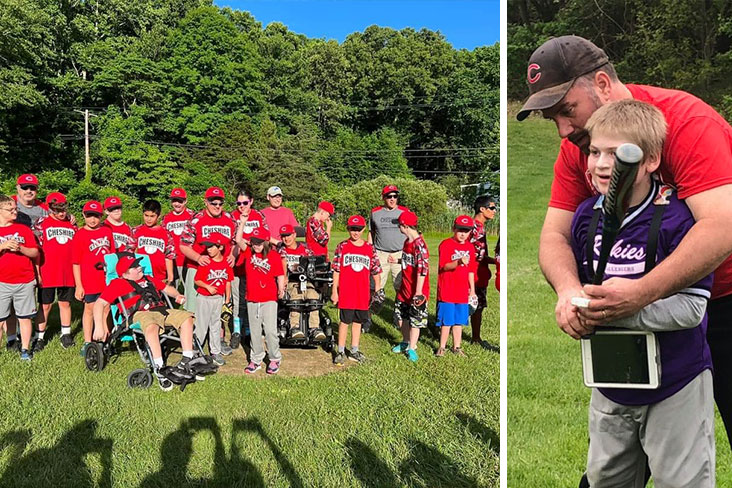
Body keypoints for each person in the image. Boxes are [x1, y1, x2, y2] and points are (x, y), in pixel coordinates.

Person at [517, 34, 732, 445]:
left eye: (567, 110)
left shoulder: (686, 122)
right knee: (615, 459)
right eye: (553, 119)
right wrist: (567, 291)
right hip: (638, 308)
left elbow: (722, 225)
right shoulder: (584, 148)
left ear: (601, 84)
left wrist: (641, 293)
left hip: (724, 298)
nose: (564, 130)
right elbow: (554, 234)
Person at [571, 99, 714, 486]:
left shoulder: (676, 219)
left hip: (676, 382)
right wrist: (572, 308)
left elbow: (691, 309)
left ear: (650, 161)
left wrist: (622, 310)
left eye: (617, 155)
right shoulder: (586, 217)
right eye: (595, 151)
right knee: (606, 480)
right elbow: (582, 290)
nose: (601, 164)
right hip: (611, 383)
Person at [92, 253, 195, 392]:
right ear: (125, 274)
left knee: (187, 317)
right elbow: (99, 304)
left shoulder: (149, 279)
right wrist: (99, 326)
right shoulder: (117, 283)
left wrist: (176, 295)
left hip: (162, 310)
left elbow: (166, 289)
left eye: (138, 264)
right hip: (139, 314)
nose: (139, 267)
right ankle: (160, 367)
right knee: (151, 326)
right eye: (134, 267)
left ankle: (187, 360)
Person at [331, 215, 382, 365]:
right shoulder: (342, 246)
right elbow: (336, 270)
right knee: (344, 321)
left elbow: (376, 270)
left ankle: (354, 350)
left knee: (358, 321)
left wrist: (378, 288)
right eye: (353, 229)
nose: (355, 232)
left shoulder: (369, 248)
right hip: (346, 291)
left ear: (363, 229)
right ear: (348, 229)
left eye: (359, 229)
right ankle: (340, 350)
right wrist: (334, 290)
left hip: (362, 292)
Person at [179, 187, 236, 318]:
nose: (217, 206)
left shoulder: (230, 219)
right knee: (194, 310)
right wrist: (198, 257)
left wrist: (233, 254)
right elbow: (184, 245)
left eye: (220, 203)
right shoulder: (196, 219)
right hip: (199, 268)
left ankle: (218, 339)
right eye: (213, 203)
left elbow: (235, 242)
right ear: (206, 202)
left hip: (221, 270)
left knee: (220, 310)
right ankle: (194, 337)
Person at [234, 227, 285, 375]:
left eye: (259, 242)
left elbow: (280, 274)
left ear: (266, 242)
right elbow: (238, 239)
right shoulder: (249, 252)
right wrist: (242, 222)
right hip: (252, 297)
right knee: (255, 331)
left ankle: (275, 358)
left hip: (269, 297)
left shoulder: (274, 256)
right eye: (254, 242)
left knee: (270, 331)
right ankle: (256, 359)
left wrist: (281, 288)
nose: (256, 245)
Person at [33, 192, 76, 351]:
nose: (61, 212)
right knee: (45, 305)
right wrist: (37, 271)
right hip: (48, 270)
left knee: (65, 303)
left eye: (63, 208)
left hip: (67, 271)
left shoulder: (72, 223)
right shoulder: (41, 222)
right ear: (49, 208)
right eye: (56, 209)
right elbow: (35, 248)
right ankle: (39, 337)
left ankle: (65, 333)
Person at [72, 200, 115, 355]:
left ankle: (105, 338)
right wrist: (79, 285)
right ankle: (88, 341)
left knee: (107, 308)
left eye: (96, 216)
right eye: (89, 216)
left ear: (101, 216)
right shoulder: (80, 235)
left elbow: (112, 255)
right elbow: (76, 263)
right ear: (84, 215)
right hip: (88, 279)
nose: (93, 219)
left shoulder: (107, 231)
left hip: (105, 278)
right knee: (89, 309)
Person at [0, 195, 40, 361]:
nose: (15, 211)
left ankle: (25, 348)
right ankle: (7, 344)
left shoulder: (23, 230)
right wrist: (3, 246)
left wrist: (21, 248)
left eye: (15, 208)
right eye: (11, 209)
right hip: (2, 282)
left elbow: (35, 252)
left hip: (25, 280)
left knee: (24, 317)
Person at [230, 188, 268, 347]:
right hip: (238, 264)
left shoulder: (259, 216)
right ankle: (237, 331)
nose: (242, 206)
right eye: (239, 203)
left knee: (253, 299)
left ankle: (250, 331)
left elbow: (265, 237)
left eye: (245, 202)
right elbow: (232, 239)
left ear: (251, 201)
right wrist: (236, 250)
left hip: (255, 265)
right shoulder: (232, 216)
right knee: (238, 301)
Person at [390, 211, 429, 363]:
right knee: (400, 317)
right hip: (404, 288)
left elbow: (422, 269)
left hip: (416, 290)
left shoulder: (420, 245)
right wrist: (398, 261)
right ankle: (405, 341)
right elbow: (409, 262)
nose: (398, 227)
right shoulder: (407, 242)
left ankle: (412, 348)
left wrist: (418, 292)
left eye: (399, 225)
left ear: (405, 225)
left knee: (415, 320)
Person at [435, 215, 477, 357]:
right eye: (460, 230)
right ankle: (442, 346)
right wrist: (458, 262)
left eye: (466, 231)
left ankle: (457, 347)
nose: (463, 234)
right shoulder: (446, 244)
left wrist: (472, 290)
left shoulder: (470, 247)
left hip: (462, 290)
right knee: (447, 320)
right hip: (448, 289)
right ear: (454, 229)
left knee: (459, 321)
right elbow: (444, 266)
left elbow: (471, 270)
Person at [279, 223, 325, 340]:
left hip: (306, 281)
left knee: (313, 295)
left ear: (294, 235)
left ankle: (314, 327)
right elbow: (282, 264)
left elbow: (313, 263)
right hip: (291, 281)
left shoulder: (305, 249)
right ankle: (295, 327)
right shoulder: (282, 250)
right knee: (296, 296)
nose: (286, 238)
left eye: (288, 235)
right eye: (283, 236)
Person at [193, 233, 232, 367]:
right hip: (204, 298)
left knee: (216, 325)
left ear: (220, 247)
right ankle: (196, 351)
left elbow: (228, 281)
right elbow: (197, 280)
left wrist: (227, 298)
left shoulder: (226, 262)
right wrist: (207, 286)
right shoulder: (206, 262)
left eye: (211, 246)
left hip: (218, 298)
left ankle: (215, 352)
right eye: (207, 247)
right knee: (201, 326)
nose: (208, 249)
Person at [368, 185, 409, 295]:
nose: (392, 199)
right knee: (375, 284)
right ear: (383, 197)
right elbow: (371, 232)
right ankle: (372, 308)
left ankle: (400, 309)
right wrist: (370, 251)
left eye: (395, 196)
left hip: (399, 253)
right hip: (380, 253)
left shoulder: (404, 211)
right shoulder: (375, 212)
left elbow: (411, 232)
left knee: (401, 285)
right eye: (389, 196)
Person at [470, 196, 497, 349]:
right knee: (474, 306)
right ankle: (474, 338)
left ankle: (476, 338)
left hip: (478, 272)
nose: (495, 211)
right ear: (482, 209)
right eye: (492, 208)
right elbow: (477, 255)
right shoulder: (476, 228)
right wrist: (496, 261)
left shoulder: (478, 227)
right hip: (474, 273)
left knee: (477, 307)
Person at [131, 200, 175, 284]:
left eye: (152, 216)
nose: (148, 219)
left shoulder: (166, 233)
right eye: (146, 215)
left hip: (160, 276)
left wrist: (170, 276)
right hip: (140, 274)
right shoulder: (136, 231)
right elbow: (130, 252)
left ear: (158, 216)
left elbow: (169, 256)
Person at [162, 188, 194, 287]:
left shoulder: (192, 216)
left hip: (188, 261)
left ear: (185, 201)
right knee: (172, 290)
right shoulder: (166, 218)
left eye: (180, 201)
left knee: (189, 291)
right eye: (174, 200)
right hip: (173, 261)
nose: (177, 204)